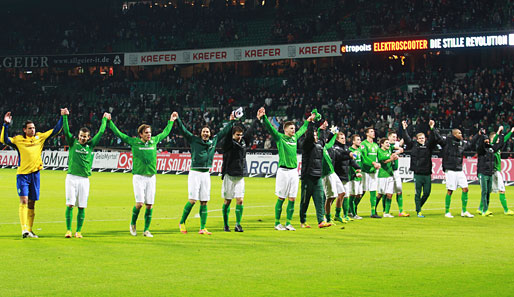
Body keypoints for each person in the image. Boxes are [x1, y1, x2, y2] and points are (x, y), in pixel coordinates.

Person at [109, 113, 176, 237]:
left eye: (150, 132)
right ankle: (133, 224)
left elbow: (165, 133)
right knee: (139, 204)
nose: (149, 134)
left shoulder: (154, 141)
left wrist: (171, 121)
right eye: (146, 133)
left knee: (149, 205)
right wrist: (110, 122)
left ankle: (146, 230)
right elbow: (120, 134)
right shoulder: (134, 142)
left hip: (151, 177)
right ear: (141, 134)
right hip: (139, 177)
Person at [1, 110, 63, 238]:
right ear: (24, 129)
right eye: (30, 128)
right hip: (23, 175)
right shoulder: (18, 140)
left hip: (35, 175)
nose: (32, 130)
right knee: (23, 201)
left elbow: (55, 130)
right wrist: (5, 125)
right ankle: (24, 229)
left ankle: (29, 230)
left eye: (34, 128)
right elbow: (4, 140)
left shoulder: (39, 137)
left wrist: (63, 117)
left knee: (32, 203)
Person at [177, 111, 235, 235]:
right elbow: (183, 131)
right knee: (192, 200)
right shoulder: (194, 140)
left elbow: (224, 132)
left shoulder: (213, 141)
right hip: (195, 173)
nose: (205, 133)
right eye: (203, 131)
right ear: (200, 133)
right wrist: (177, 120)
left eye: (207, 131)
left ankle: (202, 227)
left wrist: (232, 121)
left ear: (210, 134)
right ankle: (182, 222)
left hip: (206, 174)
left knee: (204, 201)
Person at [261, 108, 314, 231]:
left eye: (294, 128)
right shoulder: (280, 138)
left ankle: (288, 223)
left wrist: (308, 120)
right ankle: (277, 223)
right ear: (285, 130)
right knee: (281, 198)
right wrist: (264, 117)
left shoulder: (294, 138)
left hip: (294, 172)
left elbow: (302, 129)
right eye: (291, 128)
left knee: (292, 198)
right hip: (283, 172)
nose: (294, 130)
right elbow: (270, 128)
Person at [62, 108, 109, 238]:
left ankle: (78, 231)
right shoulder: (73, 143)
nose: (83, 138)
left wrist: (104, 120)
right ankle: (68, 230)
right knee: (70, 204)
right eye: (81, 136)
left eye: (85, 136)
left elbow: (100, 132)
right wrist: (65, 117)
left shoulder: (91, 145)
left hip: (84, 179)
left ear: (89, 137)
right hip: (71, 178)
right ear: (78, 136)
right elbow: (66, 131)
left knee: (82, 206)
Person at [220, 108, 263, 232]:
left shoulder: (244, 142)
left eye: (240, 135)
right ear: (233, 135)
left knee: (240, 200)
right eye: (237, 135)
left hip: (240, 176)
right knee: (227, 201)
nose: (240, 137)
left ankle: (238, 224)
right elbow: (227, 137)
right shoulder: (228, 144)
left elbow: (250, 131)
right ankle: (226, 224)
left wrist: (257, 119)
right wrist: (231, 123)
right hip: (229, 176)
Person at [433, 123, 479, 218]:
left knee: (465, 189)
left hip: (459, 169)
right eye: (459, 133)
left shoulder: (462, 144)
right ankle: (447, 212)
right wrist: (432, 127)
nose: (461, 134)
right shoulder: (447, 142)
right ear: (454, 134)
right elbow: (438, 138)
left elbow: (471, 143)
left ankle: (464, 211)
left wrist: (478, 134)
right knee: (450, 190)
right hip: (450, 170)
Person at [299, 119, 332, 229]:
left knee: (320, 199)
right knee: (305, 201)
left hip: (317, 176)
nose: (315, 136)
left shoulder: (319, 144)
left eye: (315, 135)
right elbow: (309, 137)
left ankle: (321, 221)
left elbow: (322, 139)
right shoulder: (306, 144)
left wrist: (323, 129)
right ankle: (303, 221)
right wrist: (311, 123)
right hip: (307, 176)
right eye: (313, 135)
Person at [402, 120, 438, 217]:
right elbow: (407, 138)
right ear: (417, 139)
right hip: (418, 174)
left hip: (427, 173)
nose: (422, 139)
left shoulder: (428, 146)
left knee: (427, 193)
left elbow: (434, 138)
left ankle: (418, 206)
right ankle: (419, 211)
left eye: (423, 138)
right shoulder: (413, 145)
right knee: (417, 193)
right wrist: (404, 129)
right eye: (420, 138)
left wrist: (432, 127)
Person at [330, 132, 361, 222]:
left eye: (344, 138)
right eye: (342, 138)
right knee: (332, 196)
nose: (344, 139)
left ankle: (343, 215)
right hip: (337, 175)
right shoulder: (335, 148)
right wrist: (349, 155)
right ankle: (325, 214)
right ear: (337, 139)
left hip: (345, 175)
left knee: (345, 195)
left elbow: (351, 160)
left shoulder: (346, 148)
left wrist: (357, 167)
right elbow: (340, 156)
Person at [476, 126, 504, 216]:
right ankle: (484, 210)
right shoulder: (481, 150)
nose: (487, 141)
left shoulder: (492, 149)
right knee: (484, 191)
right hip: (483, 172)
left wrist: (501, 134)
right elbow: (480, 145)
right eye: (486, 140)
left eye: (487, 140)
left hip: (490, 172)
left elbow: (500, 145)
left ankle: (485, 209)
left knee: (488, 192)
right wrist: (481, 136)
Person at [486, 127, 514, 215]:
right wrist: (498, 132)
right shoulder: (491, 147)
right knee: (489, 191)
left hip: (495, 171)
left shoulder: (497, 147)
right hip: (493, 171)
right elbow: (495, 141)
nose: (497, 139)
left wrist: (511, 132)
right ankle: (506, 210)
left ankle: (482, 208)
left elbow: (504, 140)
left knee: (488, 191)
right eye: (495, 138)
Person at [386, 129, 409, 217]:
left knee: (399, 190)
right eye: (393, 137)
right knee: (388, 193)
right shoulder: (386, 145)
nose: (395, 138)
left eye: (396, 137)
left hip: (396, 171)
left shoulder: (396, 145)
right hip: (387, 171)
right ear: (389, 137)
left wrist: (404, 128)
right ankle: (386, 211)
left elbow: (401, 148)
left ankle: (401, 211)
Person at [360, 127, 381, 218]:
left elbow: (379, 157)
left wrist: (379, 163)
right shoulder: (363, 144)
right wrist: (373, 163)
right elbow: (364, 159)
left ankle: (373, 212)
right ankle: (352, 209)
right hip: (364, 171)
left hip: (373, 172)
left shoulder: (376, 145)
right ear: (367, 134)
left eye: (374, 131)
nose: (373, 133)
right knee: (361, 192)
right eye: (371, 132)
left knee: (373, 191)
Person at [376, 138, 398, 217]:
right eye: (386, 143)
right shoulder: (379, 151)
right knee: (380, 194)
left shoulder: (389, 150)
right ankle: (374, 210)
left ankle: (386, 212)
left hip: (390, 174)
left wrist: (394, 156)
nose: (388, 144)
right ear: (382, 144)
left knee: (389, 194)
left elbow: (398, 148)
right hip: (382, 175)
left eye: (388, 143)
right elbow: (382, 160)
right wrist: (391, 158)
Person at [348, 134, 364, 219]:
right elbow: (350, 164)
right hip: (353, 176)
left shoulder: (360, 150)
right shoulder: (350, 151)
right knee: (353, 195)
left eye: (360, 140)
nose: (359, 141)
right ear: (353, 141)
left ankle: (351, 210)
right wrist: (355, 172)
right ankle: (353, 214)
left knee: (359, 195)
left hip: (360, 176)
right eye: (358, 140)